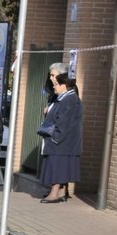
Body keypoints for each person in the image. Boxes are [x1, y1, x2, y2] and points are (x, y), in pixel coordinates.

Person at [39, 71, 82, 203]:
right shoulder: (67, 98)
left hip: (61, 142)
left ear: (64, 85)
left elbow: (64, 122)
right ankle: (62, 192)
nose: (54, 86)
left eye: (56, 84)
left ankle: (54, 193)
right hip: (65, 142)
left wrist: (54, 138)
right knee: (62, 167)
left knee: (57, 167)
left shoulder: (68, 100)